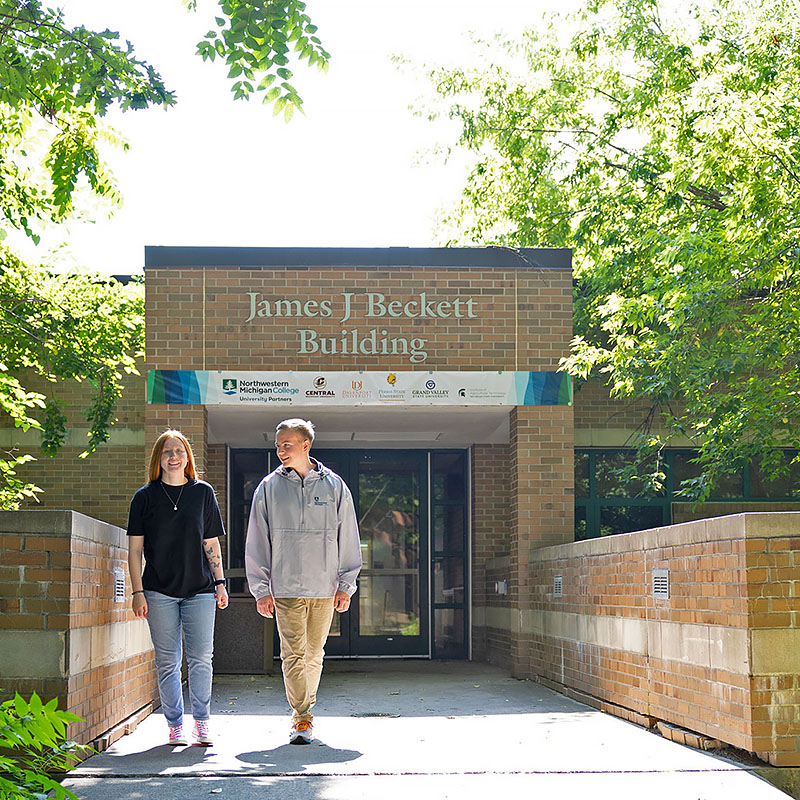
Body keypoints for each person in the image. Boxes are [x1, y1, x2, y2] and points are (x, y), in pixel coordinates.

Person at [245, 418, 362, 744]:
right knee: (293, 653)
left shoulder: (334, 486)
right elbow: (257, 539)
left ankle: (304, 711)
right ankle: (302, 717)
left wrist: (345, 584)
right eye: (278, 445)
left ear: (305, 445)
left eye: (287, 444)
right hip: (285, 587)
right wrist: (261, 588)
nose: (280, 450)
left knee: (314, 653)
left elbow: (348, 536)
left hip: (324, 588)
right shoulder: (268, 487)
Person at [127, 430, 229, 747]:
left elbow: (210, 542)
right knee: (168, 661)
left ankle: (201, 722)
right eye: (168, 451)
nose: (174, 456)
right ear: (159, 458)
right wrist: (137, 591)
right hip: (158, 591)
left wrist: (221, 583)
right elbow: (134, 551)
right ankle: (174, 724)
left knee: (201, 658)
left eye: (179, 450)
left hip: (200, 590)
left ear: (187, 457)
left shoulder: (203, 493)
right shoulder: (144, 497)